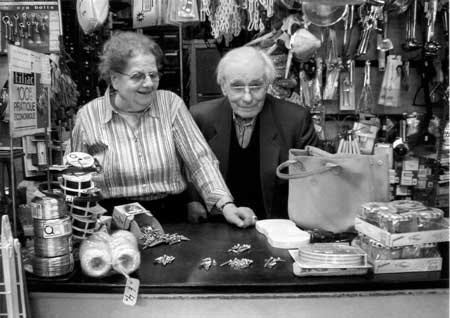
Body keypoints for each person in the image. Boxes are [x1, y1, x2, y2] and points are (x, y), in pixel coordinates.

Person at [69, 31, 256, 228]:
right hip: (114, 223)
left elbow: (200, 160)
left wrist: (226, 205)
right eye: (138, 76)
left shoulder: (170, 105)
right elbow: (74, 177)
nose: (149, 83)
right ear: (115, 79)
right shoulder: (89, 116)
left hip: (171, 218)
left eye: (153, 75)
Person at [187, 46, 319, 222]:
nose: (247, 98)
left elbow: (314, 180)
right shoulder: (200, 117)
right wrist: (192, 201)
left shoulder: (295, 120)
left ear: (267, 85)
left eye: (256, 86)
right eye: (237, 87)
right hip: (215, 226)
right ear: (224, 87)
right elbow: (186, 170)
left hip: (276, 227)